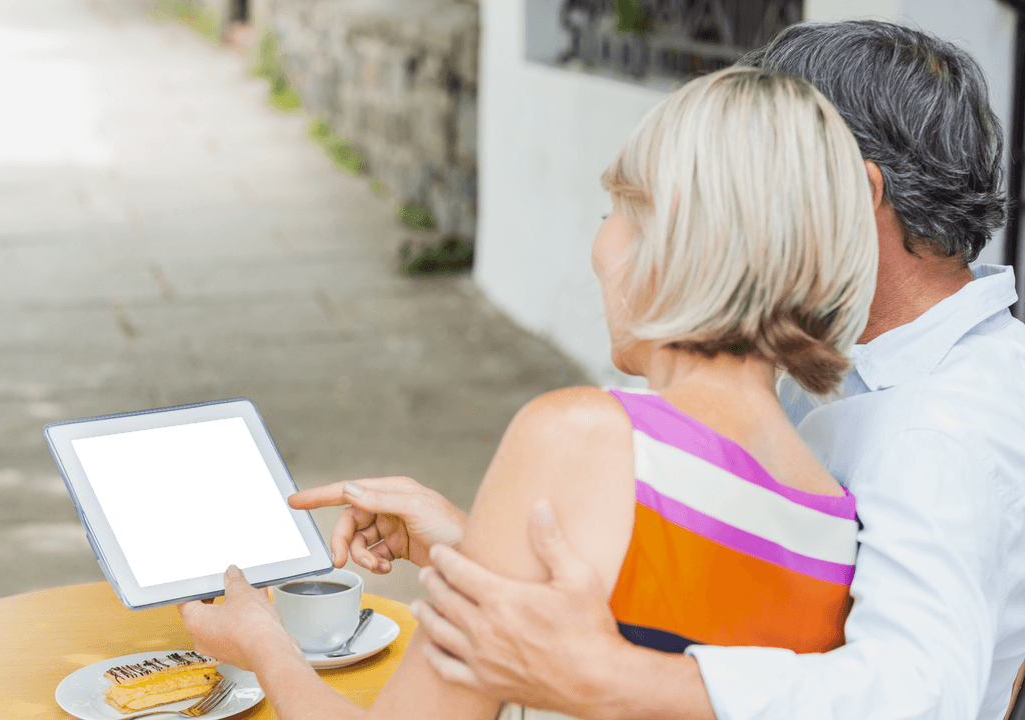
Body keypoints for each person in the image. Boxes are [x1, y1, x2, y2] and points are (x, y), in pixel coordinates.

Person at [296, 20, 1025, 720]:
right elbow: (729, 594)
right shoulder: (848, 381)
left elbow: (916, 697)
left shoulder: (938, 425)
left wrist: (607, 677)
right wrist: (488, 543)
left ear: (850, 196)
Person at [179, 65, 880, 719]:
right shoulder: (831, 512)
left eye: (612, 212)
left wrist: (262, 640)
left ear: (672, 239)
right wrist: (476, 542)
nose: (599, 247)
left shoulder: (583, 438)